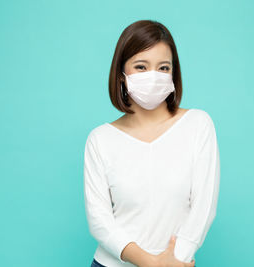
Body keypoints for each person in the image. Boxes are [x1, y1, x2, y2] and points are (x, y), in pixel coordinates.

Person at [84, 19, 220, 267]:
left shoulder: (198, 125)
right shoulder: (100, 140)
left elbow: (204, 208)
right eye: (141, 67)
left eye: (163, 68)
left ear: (173, 73)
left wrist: (173, 261)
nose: (153, 76)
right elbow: (99, 220)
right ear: (122, 75)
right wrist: (150, 262)